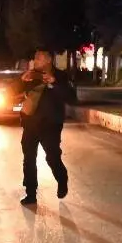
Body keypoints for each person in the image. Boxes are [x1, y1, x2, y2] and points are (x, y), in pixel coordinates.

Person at [19, 49, 76, 206]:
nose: (35, 61)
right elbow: (14, 91)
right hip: (30, 124)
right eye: (35, 57)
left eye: (39, 58)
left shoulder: (61, 76)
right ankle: (31, 193)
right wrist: (22, 80)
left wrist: (54, 83)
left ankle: (62, 178)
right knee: (28, 159)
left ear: (49, 60)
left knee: (52, 157)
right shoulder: (32, 76)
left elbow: (71, 98)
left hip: (51, 125)